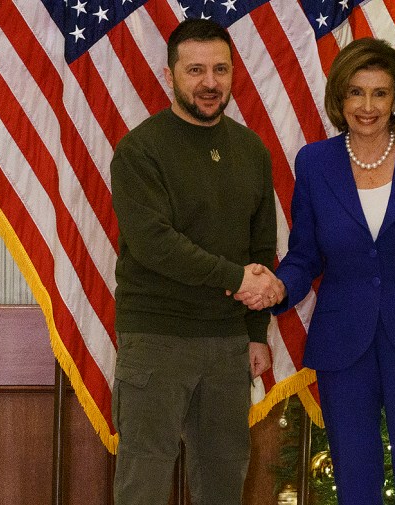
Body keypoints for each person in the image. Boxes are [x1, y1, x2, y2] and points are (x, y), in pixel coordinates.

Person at [236, 38, 395, 504]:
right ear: (340, 98)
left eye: (379, 93)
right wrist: (276, 288)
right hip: (343, 344)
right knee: (355, 484)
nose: (367, 106)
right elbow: (306, 255)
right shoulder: (315, 162)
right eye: (356, 92)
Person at [109, 18, 282, 505]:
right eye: (196, 70)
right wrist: (235, 279)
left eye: (220, 69)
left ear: (232, 74)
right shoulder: (139, 151)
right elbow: (154, 243)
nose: (209, 82)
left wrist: (255, 332)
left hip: (228, 344)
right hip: (156, 338)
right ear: (170, 77)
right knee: (143, 483)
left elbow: (260, 248)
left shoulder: (251, 149)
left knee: (225, 481)